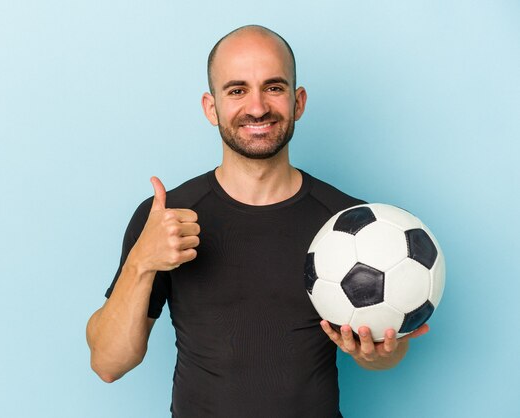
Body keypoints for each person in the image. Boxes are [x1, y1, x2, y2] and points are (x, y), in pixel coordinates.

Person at [86, 25, 429, 417]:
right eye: (237, 90)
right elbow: (108, 364)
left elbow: (384, 357)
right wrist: (141, 262)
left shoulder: (351, 224)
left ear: (298, 102)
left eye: (274, 87)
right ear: (210, 107)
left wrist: (376, 353)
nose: (257, 107)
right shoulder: (165, 218)